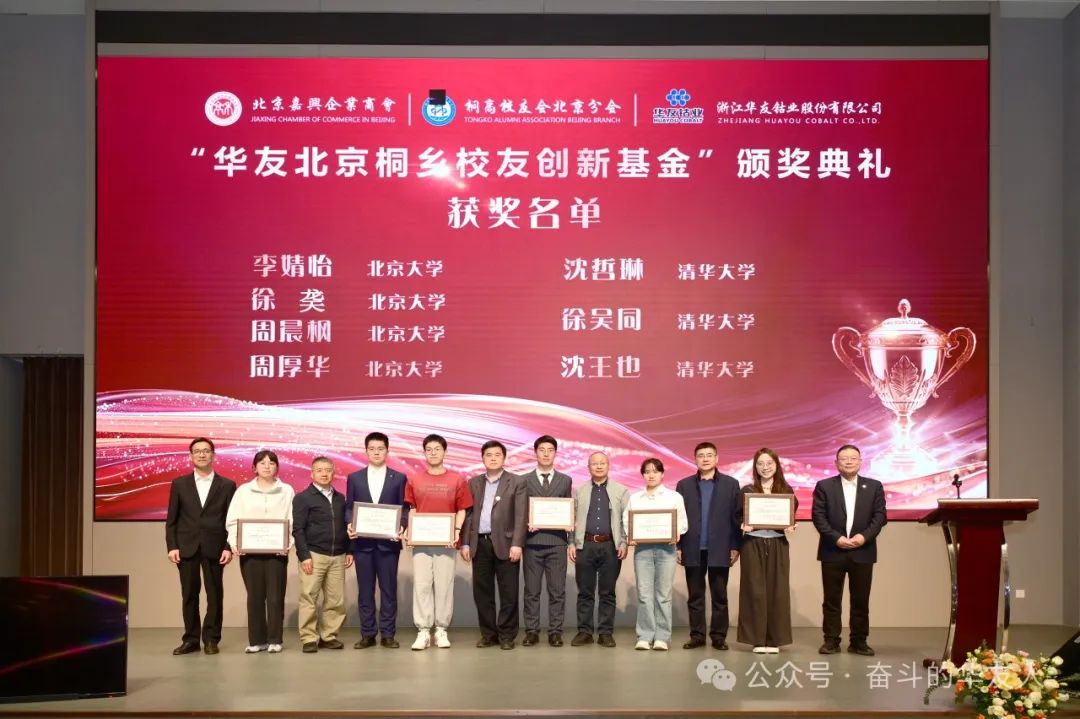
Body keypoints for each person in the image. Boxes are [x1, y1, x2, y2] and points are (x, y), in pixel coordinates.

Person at [811, 444, 887, 656]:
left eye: (853, 458)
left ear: (860, 462)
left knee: (860, 600)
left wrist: (864, 537)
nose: (849, 461)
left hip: (863, 551)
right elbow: (818, 516)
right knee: (831, 600)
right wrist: (836, 538)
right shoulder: (824, 486)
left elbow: (880, 516)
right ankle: (831, 640)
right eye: (844, 458)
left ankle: (859, 641)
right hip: (832, 550)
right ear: (836, 463)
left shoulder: (874, 486)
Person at [164, 437, 237, 655]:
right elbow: (172, 519)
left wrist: (228, 547)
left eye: (206, 451)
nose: (202, 454)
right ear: (191, 456)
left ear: (213, 455)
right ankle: (191, 639)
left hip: (216, 547)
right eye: (197, 451)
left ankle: (212, 639)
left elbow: (232, 520)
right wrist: (172, 546)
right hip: (186, 546)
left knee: (215, 595)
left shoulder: (227, 485)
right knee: (189, 595)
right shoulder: (179, 484)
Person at [404, 434, 472, 650]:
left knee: (444, 586)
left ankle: (441, 629)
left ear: (445, 452)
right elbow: (412, 508)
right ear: (424, 453)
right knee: (422, 585)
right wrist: (411, 530)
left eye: (437, 449)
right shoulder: (415, 479)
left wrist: (456, 531)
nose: (433, 453)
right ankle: (423, 631)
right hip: (421, 542)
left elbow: (462, 509)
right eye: (429, 449)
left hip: (446, 542)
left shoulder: (457, 479)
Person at [226, 450, 295, 654]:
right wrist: (234, 543)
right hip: (250, 552)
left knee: (275, 597)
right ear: (254, 467)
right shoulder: (243, 491)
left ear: (277, 467)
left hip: (277, 552)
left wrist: (288, 543)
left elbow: (292, 519)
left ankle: (275, 639)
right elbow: (233, 519)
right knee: (254, 596)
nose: (267, 466)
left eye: (271, 463)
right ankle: (257, 640)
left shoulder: (286, 490)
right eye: (262, 463)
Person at [460, 440, 527, 649]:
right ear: (482, 458)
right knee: (482, 593)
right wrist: (465, 543)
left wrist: (517, 544)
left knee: (509, 593)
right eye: (488, 455)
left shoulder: (516, 482)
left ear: (504, 458)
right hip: (479, 544)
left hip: (507, 544)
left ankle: (507, 636)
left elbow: (521, 515)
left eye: (497, 455)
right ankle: (489, 635)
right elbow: (469, 516)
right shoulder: (474, 483)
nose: (493, 458)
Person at [676, 441, 742, 650]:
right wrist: (679, 546)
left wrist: (735, 546)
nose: (705, 459)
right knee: (695, 596)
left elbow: (736, 518)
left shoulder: (731, 484)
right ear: (695, 459)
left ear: (717, 458)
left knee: (719, 596)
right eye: (701, 455)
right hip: (692, 548)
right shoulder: (684, 485)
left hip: (720, 548)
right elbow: (678, 518)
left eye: (709, 455)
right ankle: (697, 636)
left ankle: (718, 637)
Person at [344, 432, 408, 649]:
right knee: (365, 591)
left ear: (387, 451)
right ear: (366, 451)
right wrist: (349, 523)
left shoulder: (399, 478)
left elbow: (404, 508)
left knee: (389, 590)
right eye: (372, 449)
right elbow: (349, 507)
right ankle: (368, 634)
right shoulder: (355, 477)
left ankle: (388, 634)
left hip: (388, 544)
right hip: (362, 544)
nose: (376, 452)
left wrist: (402, 525)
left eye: (380, 449)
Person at [737, 448, 798, 654]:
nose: (765, 467)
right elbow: (736, 516)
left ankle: (773, 640)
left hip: (777, 544)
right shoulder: (747, 490)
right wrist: (742, 524)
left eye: (769, 463)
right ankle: (757, 639)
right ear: (755, 467)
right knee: (754, 591)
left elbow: (791, 516)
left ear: (776, 465)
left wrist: (790, 525)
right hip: (752, 544)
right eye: (760, 463)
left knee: (777, 591)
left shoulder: (786, 490)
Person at [624, 458, 687, 651]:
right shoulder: (635, 498)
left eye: (655, 471)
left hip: (666, 550)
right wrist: (631, 535)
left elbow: (683, 523)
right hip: (642, 550)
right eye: (647, 471)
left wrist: (676, 532)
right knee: (644, 594)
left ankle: (662, 637)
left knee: (663, 594)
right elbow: (626, 521)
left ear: (662, 474)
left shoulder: (674, 497)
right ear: (642, 475)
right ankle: (644, 635)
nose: (651, 475)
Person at [569, 452, 629, 648]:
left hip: (611, 546)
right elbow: (571, 518)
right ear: (588, 467)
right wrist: (571, 543)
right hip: (585, 545)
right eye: (594, 463)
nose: (599, 466)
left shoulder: (621, 490)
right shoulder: (579, 490)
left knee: (607, 592)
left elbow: (626, 520)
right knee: (585, 592)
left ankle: (605, 633)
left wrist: (623, 543)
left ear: (608, 465)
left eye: (602, 463)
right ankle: (584, 632)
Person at [293, 456, 353, 654]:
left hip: (338, 555)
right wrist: (304, 555)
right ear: (312, 474)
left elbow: (346, 526)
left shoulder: (340, 498)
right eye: (319, 470)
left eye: (328, 470)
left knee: (336, 599)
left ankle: (329, 636)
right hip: (314, 554)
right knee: (309, 597)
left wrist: (350, 550)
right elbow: (298, 529)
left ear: (333, 473)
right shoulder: (303, 498)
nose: (324, 474)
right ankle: (309, 638)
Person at [521, 435, 573, 647]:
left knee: (557, 591)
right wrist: (526, 523)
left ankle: (555, 631)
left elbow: (568, 509)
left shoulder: (565, 480)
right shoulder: (523, 480)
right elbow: (520, 511)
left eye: (550, 450)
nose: (546, 454)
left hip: (557, 543)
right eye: (542, 450)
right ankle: (531, 631)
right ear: (535, 452)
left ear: (555, 453)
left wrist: (569, 529)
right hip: (532, 543)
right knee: (531, 591)